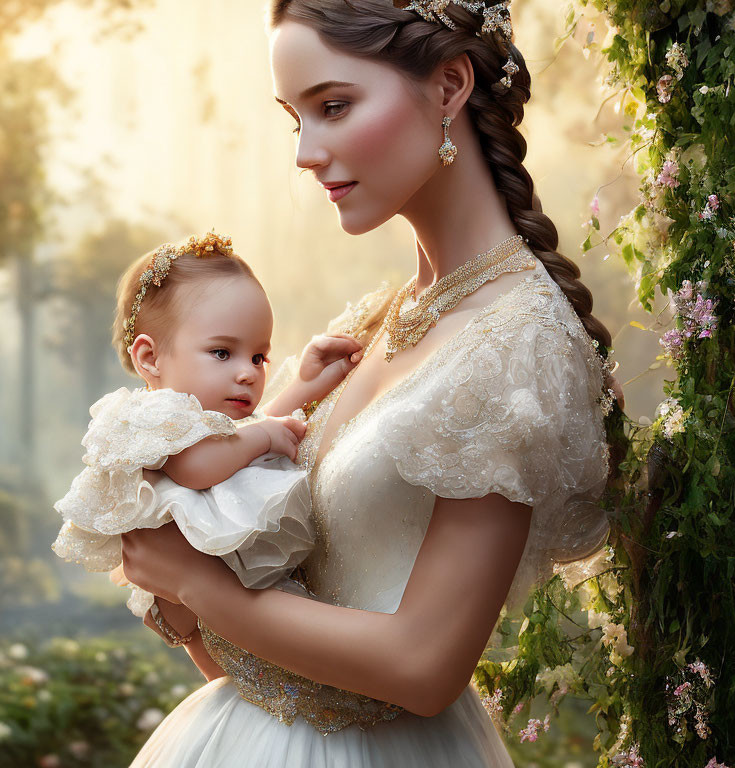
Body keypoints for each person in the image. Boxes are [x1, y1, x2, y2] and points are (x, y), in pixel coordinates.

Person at [122, 0, 625, 765]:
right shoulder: (376, 319)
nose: (305, 152)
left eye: (333, 106)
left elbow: (426, 668)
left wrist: (202, 587)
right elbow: (277, 625)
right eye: (297, 119)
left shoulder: (517, 345)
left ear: (450, 85)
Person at [52, 231, 362, 663]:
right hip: (183, 591)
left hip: (212, 587)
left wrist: (306, 387)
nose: (248, 373)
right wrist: (265, 436)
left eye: (258, 357)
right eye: (222, 352)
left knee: (248, 681)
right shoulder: (157, 413)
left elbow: (250, 427)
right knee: (232, 682)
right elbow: (196, 466)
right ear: (150, 358)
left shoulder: (205, 416)